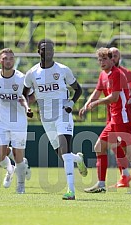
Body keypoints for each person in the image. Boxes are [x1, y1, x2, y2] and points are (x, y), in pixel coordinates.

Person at [24, 39, 88, 200]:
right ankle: (78, 159)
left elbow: (78, 89)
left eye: (52, 49)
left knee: (65, 153)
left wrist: (71, 103)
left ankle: (71, 191)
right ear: (39, 51)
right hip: (46, 117)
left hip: (62, 113)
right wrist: (27, 107)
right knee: (61, 154)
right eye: (45, 49)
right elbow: (24, 94)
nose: (49, 51)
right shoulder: (32, 73)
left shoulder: (63, 70)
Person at [79, 47, 131, 194]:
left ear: (112, 60)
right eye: (99, 59)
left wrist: (96, 104)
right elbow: (97, 92)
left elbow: (114, 97)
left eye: (105, 59)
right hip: (114, 120)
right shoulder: (103, 74)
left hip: (122, 118)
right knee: (99, 147)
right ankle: (101, 184)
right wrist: (86, 105)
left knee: (130, 154)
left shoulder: (117, 74)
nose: (102, 62)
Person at [0, 48, 31, 194]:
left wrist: (26, 105)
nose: (8, 61)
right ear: (0, 61)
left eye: (11, 58)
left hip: (19, 122)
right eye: (5, 58)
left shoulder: (21, 78)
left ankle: (20, 185)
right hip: (1, 122)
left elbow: (31, 95)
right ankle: (10, 169)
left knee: (19, 156)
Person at [108, 47, 131, 188]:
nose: (113, 58)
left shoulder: (127, 73)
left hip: (123, 115)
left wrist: (129, 100)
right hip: (111, 114)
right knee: (114, 145)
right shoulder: (105, 74)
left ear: (119, 57)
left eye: (116, 55)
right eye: (111, 55)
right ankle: (124, 175)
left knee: (125, 145)